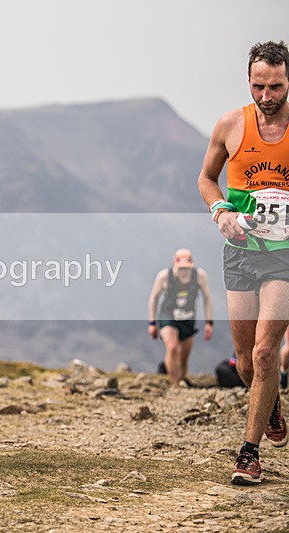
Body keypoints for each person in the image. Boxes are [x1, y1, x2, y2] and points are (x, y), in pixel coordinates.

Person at [198, 40, 289, 486]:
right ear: (248, 82)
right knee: (246, 362)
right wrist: (221, 212)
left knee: (266, 350)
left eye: (275, 87)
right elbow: (206, 179)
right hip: (240, 251)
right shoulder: (231, 124)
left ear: (287, 80)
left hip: (284, 257)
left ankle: (249, 454)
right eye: (258, 86)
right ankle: (269, 399)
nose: (266, 96)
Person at [147, 249, 214, 387]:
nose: (183, 270)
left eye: (186, 267)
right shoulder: (164, 276)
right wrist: (152, 322)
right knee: (172, 348)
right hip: (168, 316)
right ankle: (174, 383)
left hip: (188, 317)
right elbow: (154, 297)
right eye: (181, 267)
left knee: (183, 356)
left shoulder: (199, 276)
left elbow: (207, 298)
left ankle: (181, 379)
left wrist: (209, 322)